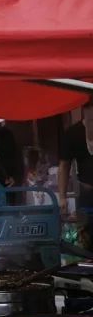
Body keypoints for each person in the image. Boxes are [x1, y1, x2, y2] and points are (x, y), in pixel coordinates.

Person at [59, 99, 93, 236]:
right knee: (87, 236)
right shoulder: (73, 133)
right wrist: (62, 196)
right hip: (87, 193)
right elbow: (64, 165)